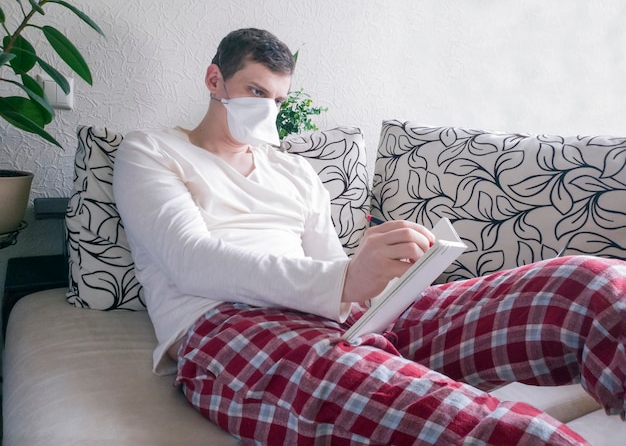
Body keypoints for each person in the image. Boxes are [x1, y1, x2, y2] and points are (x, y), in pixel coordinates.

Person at [113, 28, 625, 445]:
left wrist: (384, 277)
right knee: (480, 425)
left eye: (277, 98)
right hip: (227, 323)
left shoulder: (295, 173)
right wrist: (344, 281)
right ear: (214, 79)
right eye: (255, 91)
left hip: (341, 316)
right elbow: (190, 260)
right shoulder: (151, 152)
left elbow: (333, 269)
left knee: (591, 285)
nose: (268, 108)